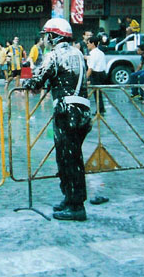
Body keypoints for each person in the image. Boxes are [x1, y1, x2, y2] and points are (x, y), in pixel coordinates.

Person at [23, 18, 91, 221]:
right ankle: (70, 199)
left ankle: (76, 206)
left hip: (66, 113)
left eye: (46, 35)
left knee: (67, 159)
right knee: (74, 158)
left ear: (53, 36)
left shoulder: (53, 55)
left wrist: (27, 82)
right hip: (83, 113)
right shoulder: (78, 53)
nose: (45, 39)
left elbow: (38, 79)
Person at [86, 36, 106, 115]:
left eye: (88, 43)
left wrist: (85, 79)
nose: (87, 45)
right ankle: (101, 108)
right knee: (98, 93)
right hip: (102, 74)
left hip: (96, 75)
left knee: (96, 93)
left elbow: (90, 68)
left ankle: (100, 110)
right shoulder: (100, 52)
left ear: (93, 44)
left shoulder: (93, 54)